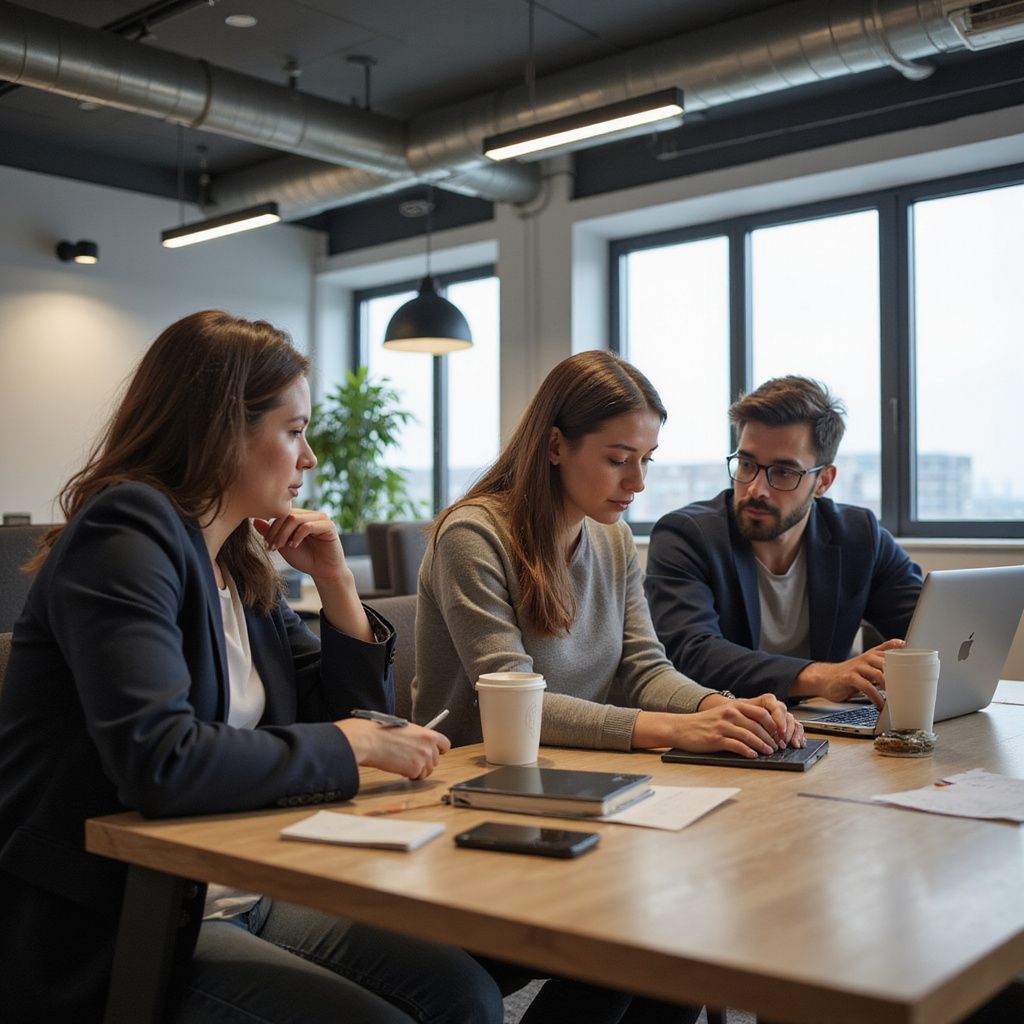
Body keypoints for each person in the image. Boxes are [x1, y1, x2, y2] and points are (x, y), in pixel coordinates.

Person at [0, 311, 505, 1024]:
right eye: (294, 431)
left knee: (467, 995)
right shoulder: (126, 533)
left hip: (235, 886)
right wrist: (356, 745)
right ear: (221, 429)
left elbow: (354, 716)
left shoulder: (236, 558)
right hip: (124, 912)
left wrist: (336, 585)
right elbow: (161, 760)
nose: (310, 459)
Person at [412, 349, 803, 1023]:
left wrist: (722, 708)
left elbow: (643, 667)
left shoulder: (613, 537)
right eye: (620, 458)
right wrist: (677, 730)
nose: (638, 481)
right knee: (638, 938)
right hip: (478, 797)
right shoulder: (474, 534)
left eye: (647, 459)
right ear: (556, 446)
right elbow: (512, 696)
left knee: (673, 935)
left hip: (573, 785)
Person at [645, 375, 924, 707]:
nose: (756, 489)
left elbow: (925, 629)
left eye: (783, 472)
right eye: (747, 464)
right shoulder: (686, 536)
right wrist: (824, 677)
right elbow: (691, 653)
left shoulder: (859, 536)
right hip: (727, 729)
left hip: (825, 728)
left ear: (823, 481)